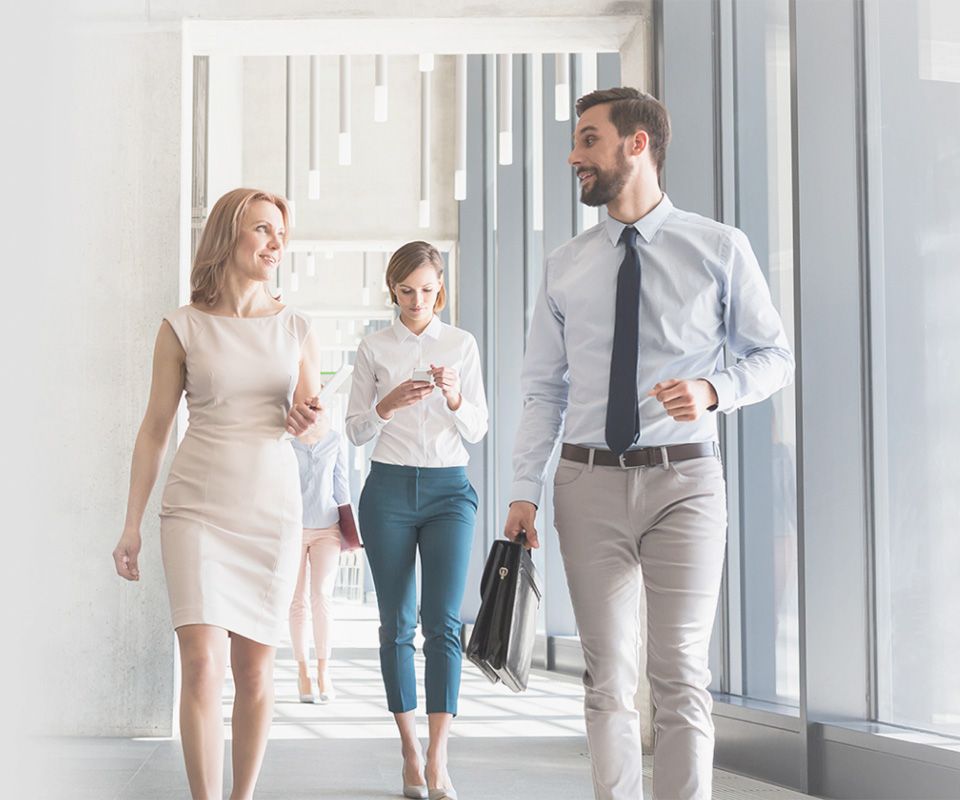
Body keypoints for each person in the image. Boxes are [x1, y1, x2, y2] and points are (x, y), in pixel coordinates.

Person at [503, 88, 794, 800]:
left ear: (638, 145)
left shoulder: (719, 248)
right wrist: (523, 491)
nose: (575, 155)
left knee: (681, 672)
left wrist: (713, 391)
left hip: (685, 481)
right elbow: (545, 388)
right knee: (606, 675)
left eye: (589, 139)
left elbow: (774, 356)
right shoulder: (565, 265)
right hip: (585, 485)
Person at [111, 188, 323, 800]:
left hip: (271, 512)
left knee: (255, 670)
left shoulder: (296, 327)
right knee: (202, 664)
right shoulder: (182, 326)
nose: (275, 243)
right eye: (262, 229)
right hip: (197, 509)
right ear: (229, 236)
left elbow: (317, 417)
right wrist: (131, 524)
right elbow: (154, 430)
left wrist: (312, 421)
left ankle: (242, 795)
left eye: (281, 233)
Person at [346, 241, 488, 800]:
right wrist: (389, 404)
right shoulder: (374, 347)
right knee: (396, 625)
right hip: (387, 490)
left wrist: (454, 398)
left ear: (440, 288)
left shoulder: (461, 344)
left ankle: (438, 758)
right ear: (393, 290)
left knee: (443, 625)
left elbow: (477, 428)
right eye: (406, 291)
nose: (416, 300)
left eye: (427, 290)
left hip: (449, 491)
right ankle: (408, 748)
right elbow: (355, 429)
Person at [289, 415, 349, 704]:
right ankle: (303, 672)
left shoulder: (335, 439)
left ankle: (324, 671)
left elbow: (342, 487)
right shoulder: (286, 440)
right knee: (297, 601)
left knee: (322, 596)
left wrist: (351, 530)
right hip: (292, 529)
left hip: (328, 527)